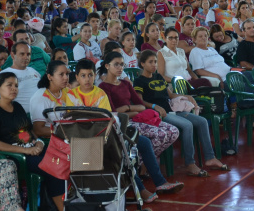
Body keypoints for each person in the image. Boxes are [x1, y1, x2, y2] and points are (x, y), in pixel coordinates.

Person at [69, 58, 183, 200]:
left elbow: (107, 119)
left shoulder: (100, 94)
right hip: (85, 139)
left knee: (144, 142)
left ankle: (160, 182)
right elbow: (73, 121)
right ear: (77, 77)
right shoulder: (70, 96)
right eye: (83, 76)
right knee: (121, 152)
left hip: (106, 133)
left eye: (90, 75)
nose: (87, 79)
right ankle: (140, 190)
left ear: (94, 75)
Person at [0, 72, 65, 211]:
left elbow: (26, 132)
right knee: (54, 169)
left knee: (62, 159)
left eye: (16, 85)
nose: (14, 88)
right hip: (12, 158)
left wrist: (37, 143)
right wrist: (25, 151)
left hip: (30, 151)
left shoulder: (17, 107)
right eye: (9, 85)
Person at [134, 50, 228, 176]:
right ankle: (190, 163)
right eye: (150, 62)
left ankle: (210, 158)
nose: (154, 65)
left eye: (155, 62)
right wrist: (155, 106)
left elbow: (170, 95)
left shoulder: (158, 77)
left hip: (171, 110)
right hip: (157, 115)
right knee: (187, 125)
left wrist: (186, 97)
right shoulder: (139, 81)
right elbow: (139, 100)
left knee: (202, 121)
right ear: (142, 64)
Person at [98, 52, 180, 159]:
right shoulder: (104, 86)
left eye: (122, 64)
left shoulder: (125, 83)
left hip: (136, 118)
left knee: (173, 131)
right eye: (116, 64)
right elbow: (115, 113)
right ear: (107, 66)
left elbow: (141, 106)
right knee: (162, 134)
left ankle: (141, 162)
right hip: (123, 123)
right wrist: (134, 111)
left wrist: (128, 108)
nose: (120, 68)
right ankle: (140, 164)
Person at [0, 42, 41, 114]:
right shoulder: (4, 74)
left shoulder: (33, 70)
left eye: (28, 54)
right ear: (13, 55)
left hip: (42, 113)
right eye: (22, 54)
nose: (26, 57)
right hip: (20, 118)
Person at [30, 60, 71, 138]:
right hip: (52, 140)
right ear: (50, 77)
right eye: (61, 74)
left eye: (67, 74)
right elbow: (39, 130)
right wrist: (66, 132)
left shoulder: (68, 91)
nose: (66, 78)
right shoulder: (41, 97)